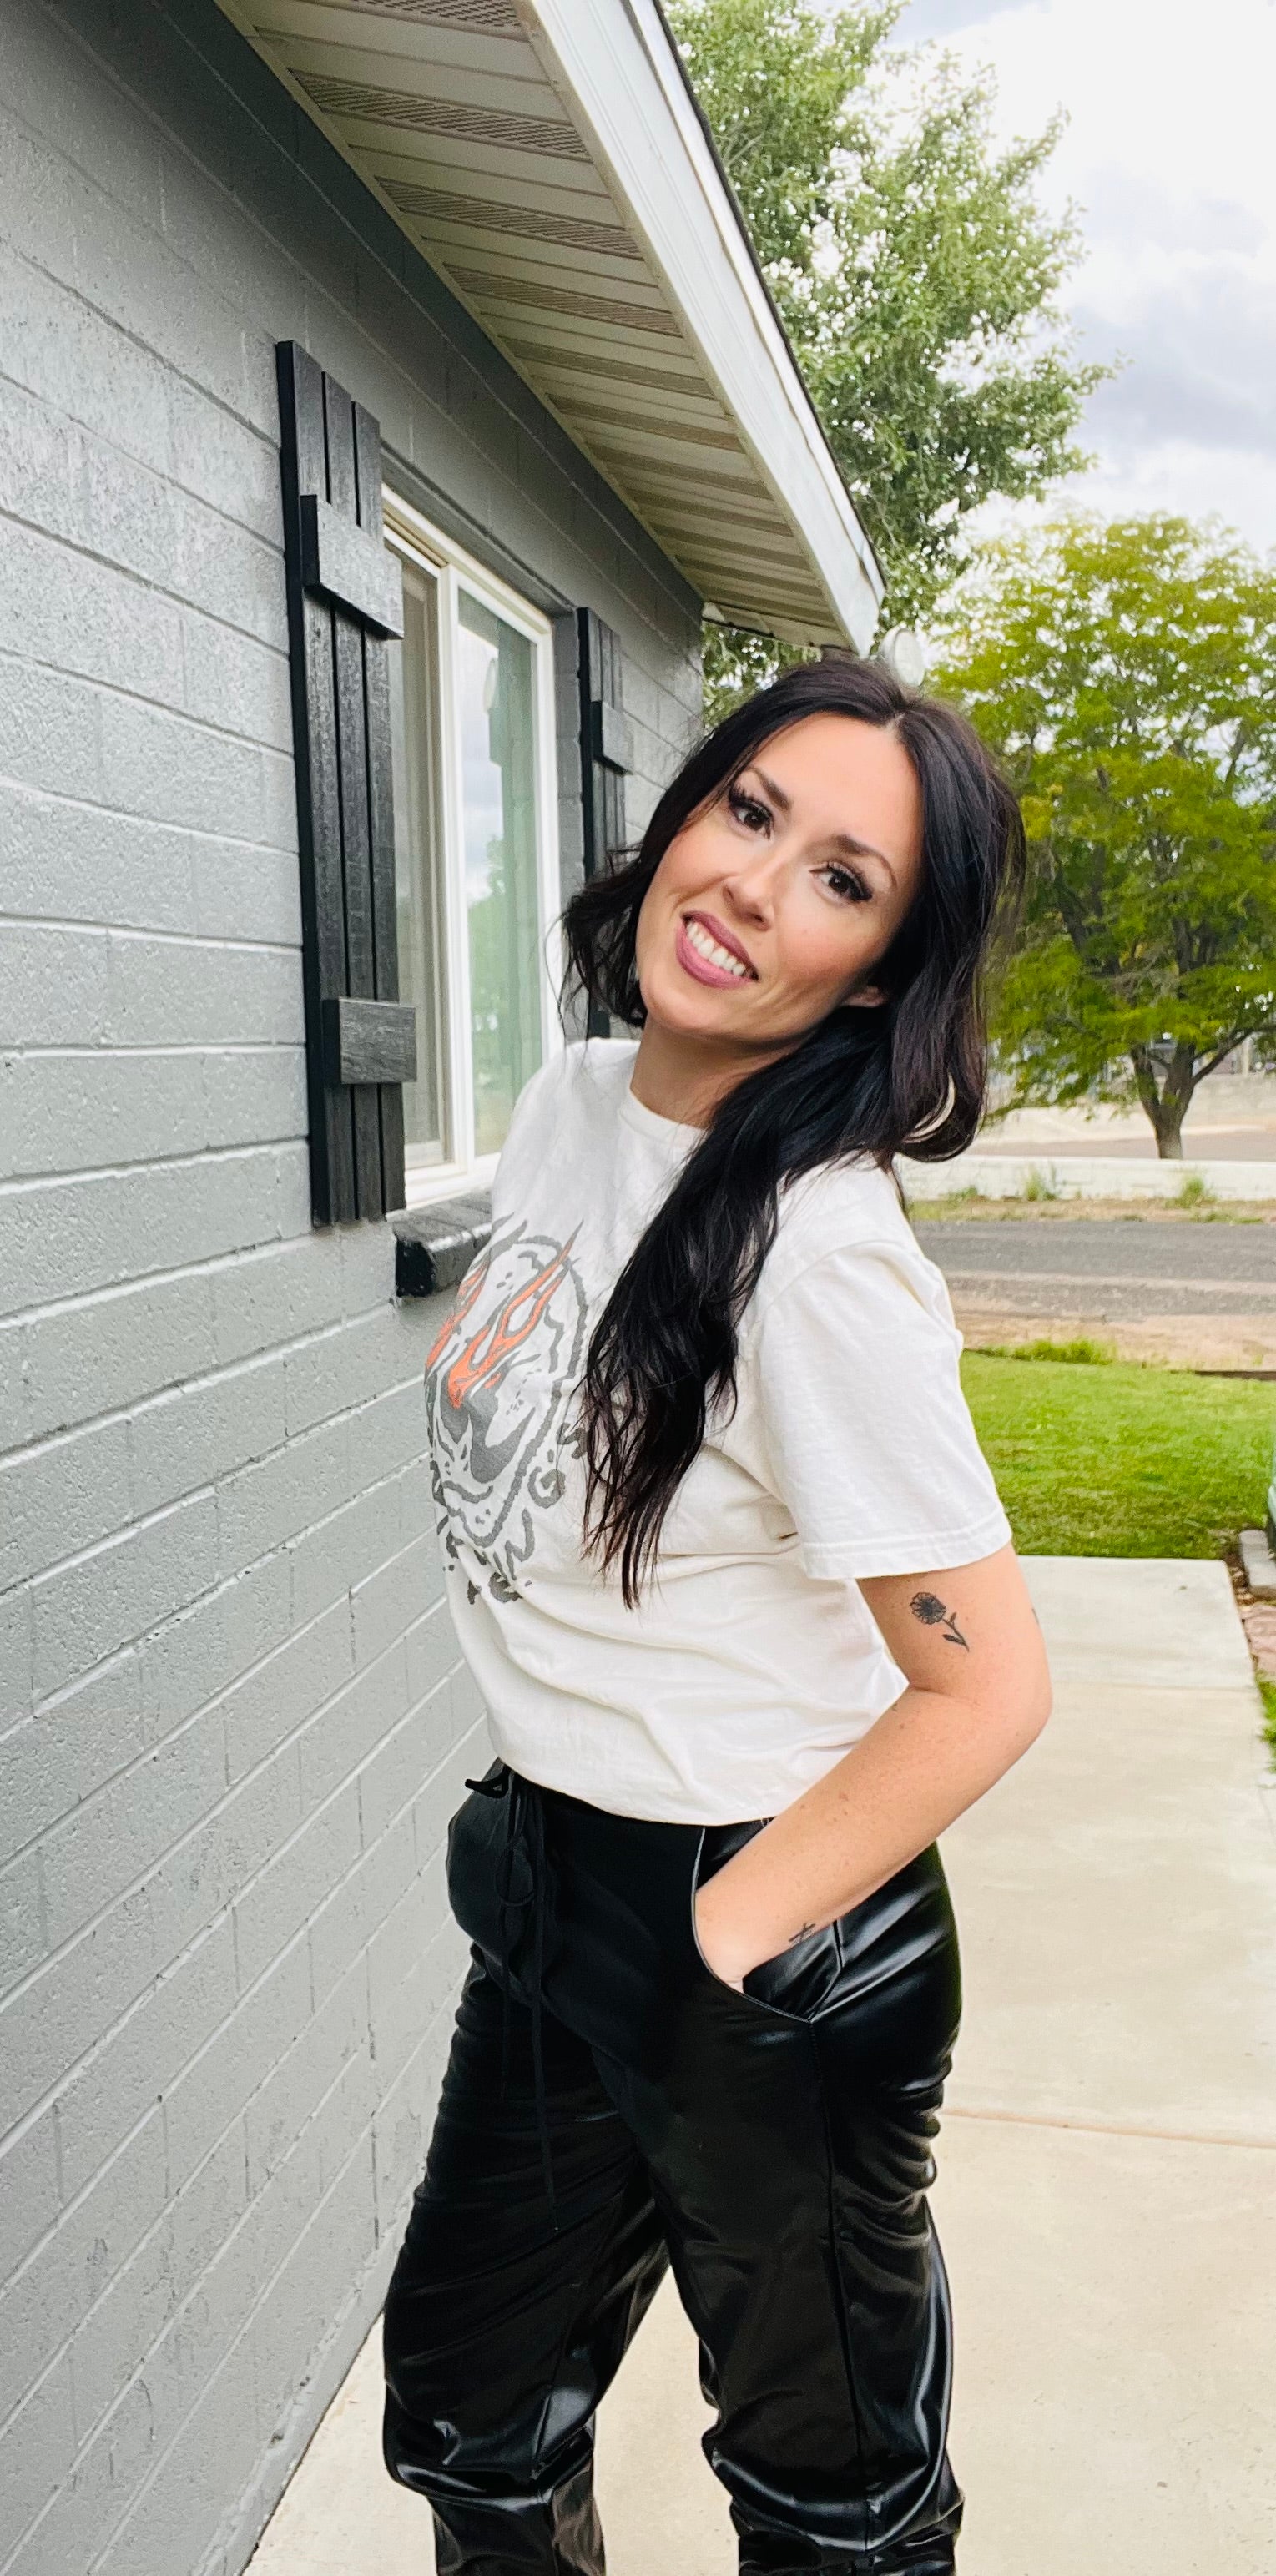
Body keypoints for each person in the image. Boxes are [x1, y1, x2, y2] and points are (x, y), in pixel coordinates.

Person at [381, 658, 1052, 2574]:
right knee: (468, 2411)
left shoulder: (814, 1249)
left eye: (844, 879)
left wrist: (726, 1935)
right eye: (751, 813)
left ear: (875, 976)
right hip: (548, 1882)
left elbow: (985, 1681)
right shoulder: (576, 1098)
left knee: (830, 2500)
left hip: (761, 1918)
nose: (759, 886)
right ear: (683, 814)